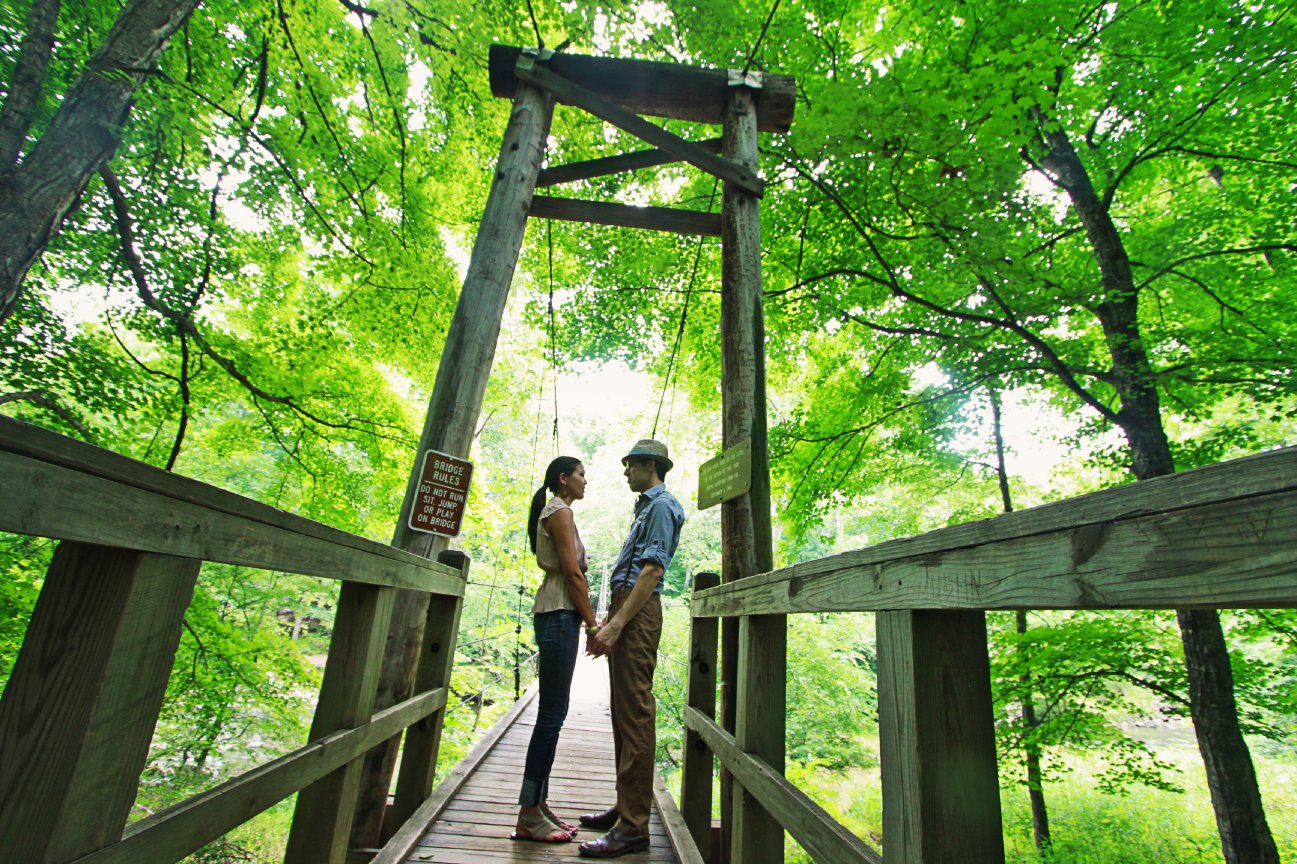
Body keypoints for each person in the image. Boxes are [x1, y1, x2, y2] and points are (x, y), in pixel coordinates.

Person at [579, 439, 685, 859]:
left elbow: (653, 569)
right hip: (628, 606)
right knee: (624, 713)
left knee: (636, 714)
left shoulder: (661, 506)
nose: (625, 472)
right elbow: (631, 572)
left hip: (638, 613)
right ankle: (626, 807)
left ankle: (634, 828)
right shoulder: (644, 507)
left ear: (650, 467)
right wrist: (610, 618)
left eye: (630, 466)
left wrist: (619, 623)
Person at [512, 456, 601, 843]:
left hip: (555, 615)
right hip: (559, 615)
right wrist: (594, 625)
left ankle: (539, 804)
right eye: (582, 474)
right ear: (564, 479)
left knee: (554, 711)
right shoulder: (560, 512)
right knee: (551, 714)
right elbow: (573, 574)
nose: (586, 481)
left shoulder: (554, 510)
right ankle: (529, 814)